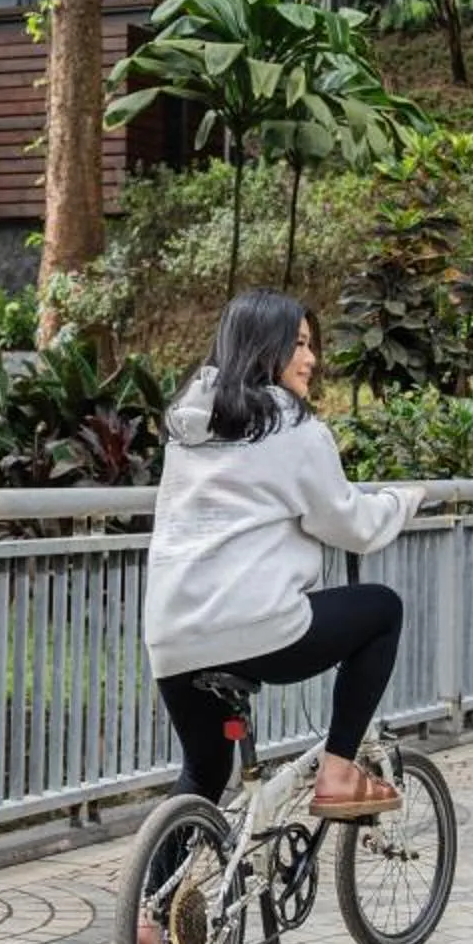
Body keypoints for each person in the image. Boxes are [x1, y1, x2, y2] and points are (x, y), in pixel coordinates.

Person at [143, 288, 417, 821]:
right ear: (263, 346)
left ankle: (153, 902)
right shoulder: (293, 425)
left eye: (310, 345)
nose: (311, 359)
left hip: (174, 633)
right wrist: (400, 503)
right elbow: (350, 524)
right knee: (382, 609)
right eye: (298, 344)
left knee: (202, 770)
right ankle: (339, 770)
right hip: (257, 627)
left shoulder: (186, 427)